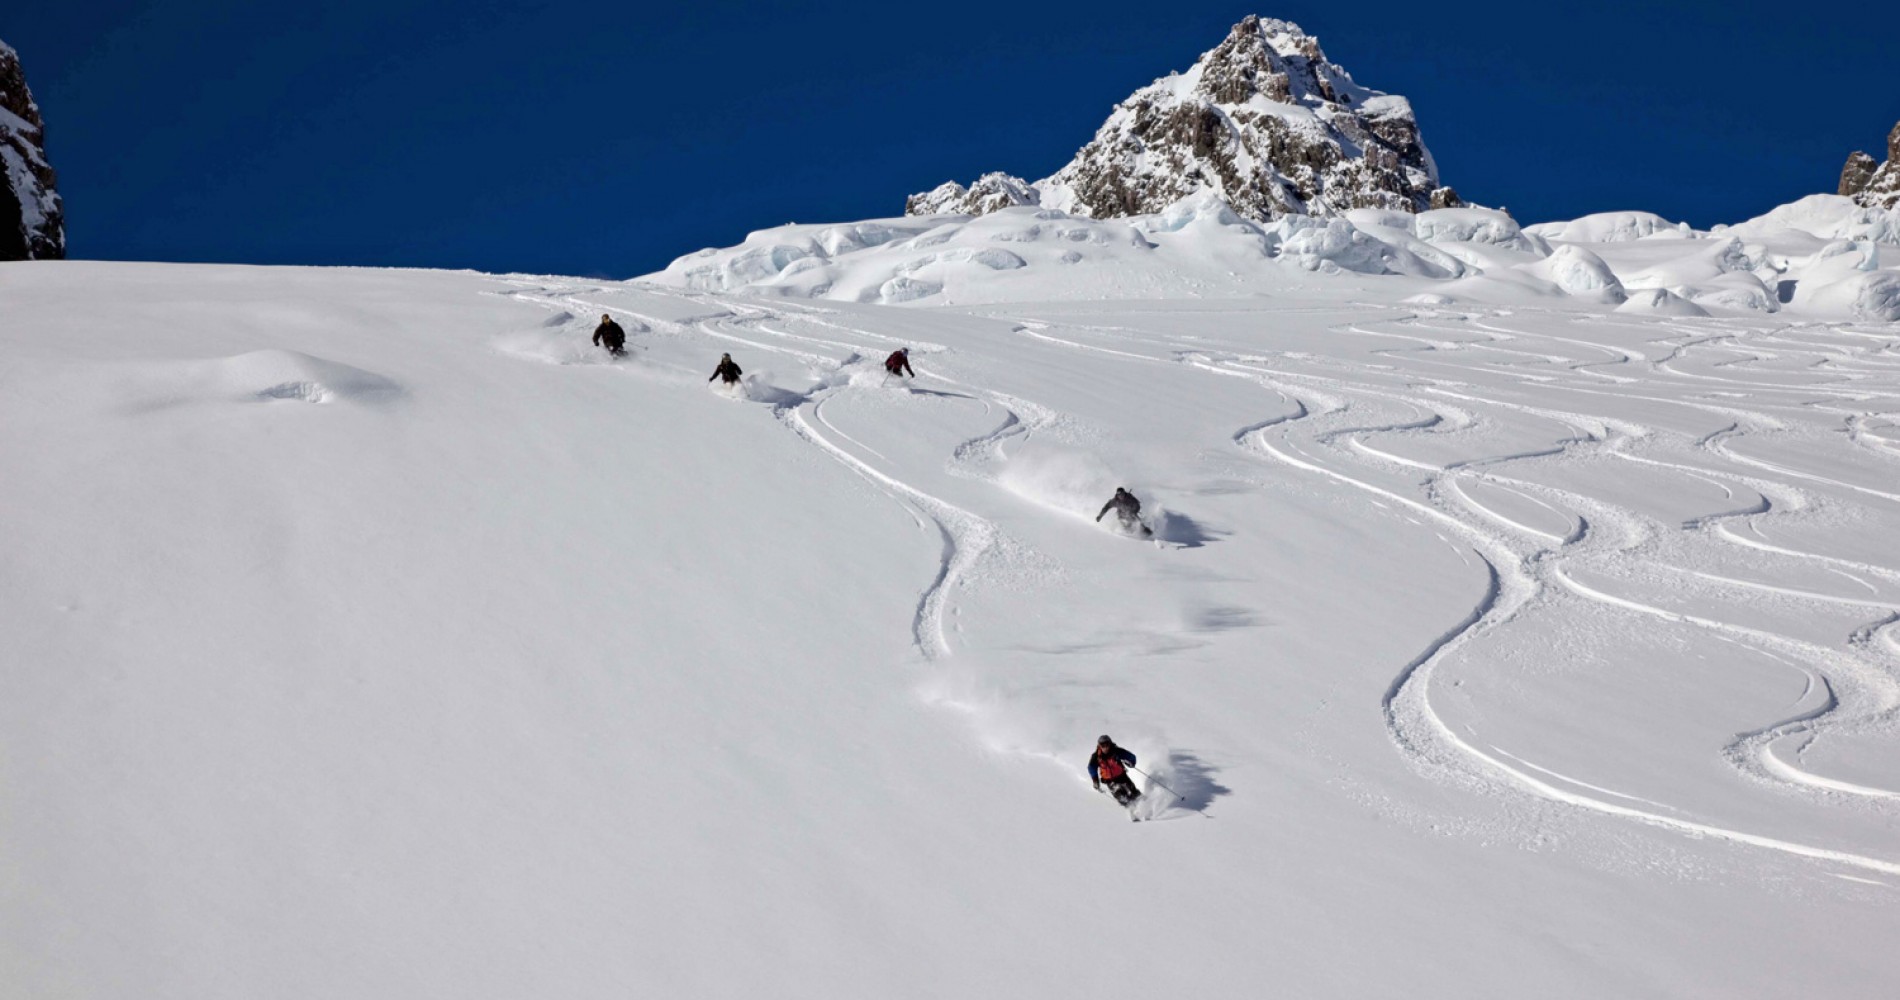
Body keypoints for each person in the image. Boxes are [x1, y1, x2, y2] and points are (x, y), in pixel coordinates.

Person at [1088, 735, 1141, 805]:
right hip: (1109, 780)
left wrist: (1131, 762)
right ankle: (1132, 809)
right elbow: (1091, 767)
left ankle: (1144, 803)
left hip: (1122, 776)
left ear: (1110, 744)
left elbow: (1131, 756)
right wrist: (1095, 780)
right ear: (1099, 746)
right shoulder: (1096, 756)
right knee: (1120, 796)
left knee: (1133, 792)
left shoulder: (1117, 751)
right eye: (1103, 746)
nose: (1105, 748)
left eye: (1107, 745)